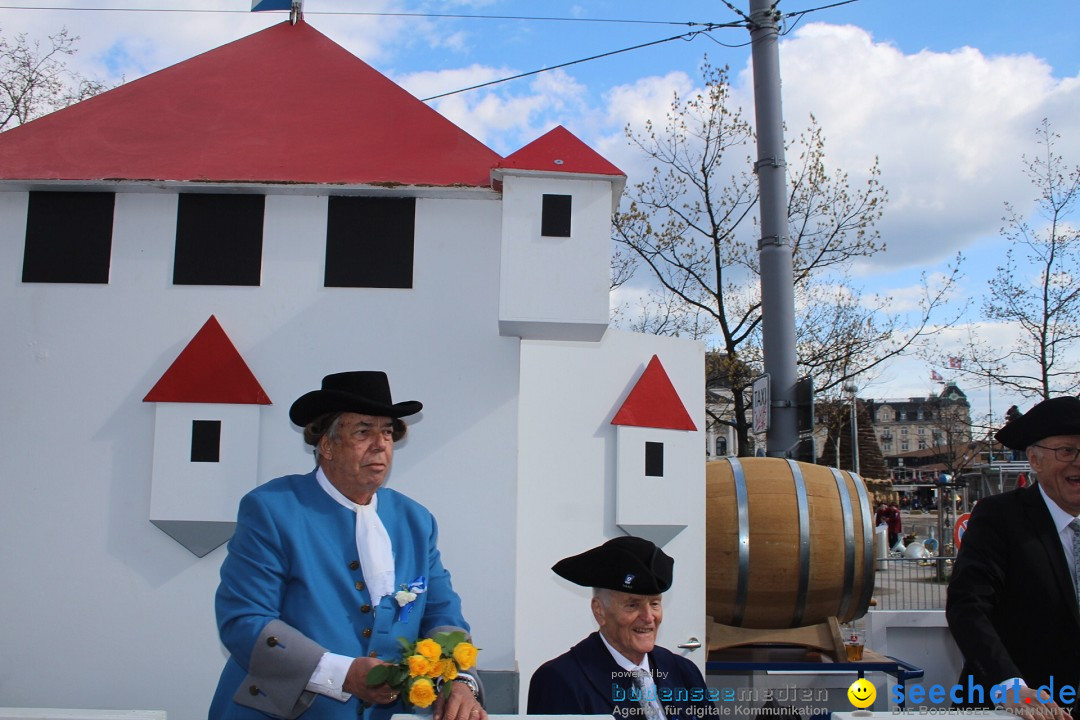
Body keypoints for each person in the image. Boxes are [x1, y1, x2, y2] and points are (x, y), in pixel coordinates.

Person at [209, 371, 486, 720]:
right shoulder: (273, 509)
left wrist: (459, 681)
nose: (381, 444)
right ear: (326, 445)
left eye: (387, 432)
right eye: (363, 431)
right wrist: (342, 674)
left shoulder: (416, 520)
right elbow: (244, 620)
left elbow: (442, 615)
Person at [946, 396, 1080, 720]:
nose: (1079, 462)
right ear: (1034, 460)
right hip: (1015, 711)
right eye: (1067, 451)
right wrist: (1009, 686)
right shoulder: (1000, 518)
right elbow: (968, 606)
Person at [527, 536, 719, 718]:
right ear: (599, 611)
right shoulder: (561, 680)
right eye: (632, 605)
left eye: (654, 604)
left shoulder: (682, 671)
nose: (648, 617)